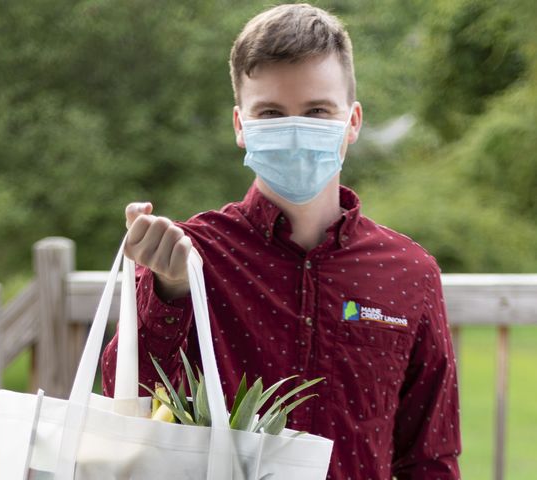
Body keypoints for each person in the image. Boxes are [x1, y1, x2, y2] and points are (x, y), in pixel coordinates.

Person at [101, 3, 461, 478]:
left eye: (317, 111)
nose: (294, 131)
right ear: (240, 126)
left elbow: (430, 457)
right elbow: (125, 396)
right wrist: (167, 292)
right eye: (271, 113)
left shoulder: (409, 272)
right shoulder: (189, 255)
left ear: (353, 121)